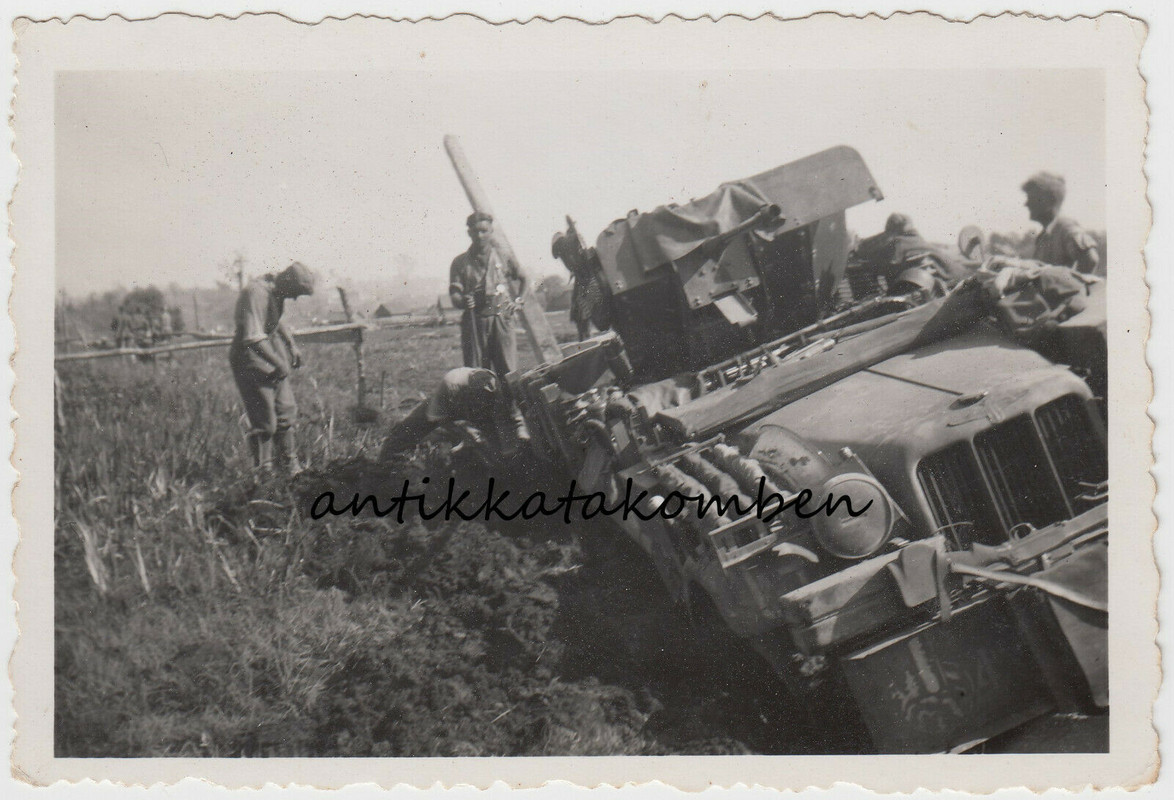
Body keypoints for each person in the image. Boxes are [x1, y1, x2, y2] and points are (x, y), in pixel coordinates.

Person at [228, 261, 316, 474]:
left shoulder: (276, 291)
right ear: (286, 281)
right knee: (265, 421)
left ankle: (290, 464)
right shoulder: (256, 292)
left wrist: (291, 345)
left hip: (268, 349)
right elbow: (253, 337)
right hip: (250, 355)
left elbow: (276, 320)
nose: (294, 298)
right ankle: (263, 471)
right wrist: (278, 362)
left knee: (286, 411)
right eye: (294, 293)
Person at [449, 211, 529, 374]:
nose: (480, 235)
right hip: (474, 322)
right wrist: (462, 301)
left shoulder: (504, 257)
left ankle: (509, 400)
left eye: (484, 231)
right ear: (469, 233)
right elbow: (454, 294)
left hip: (502, 320)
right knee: (476, 375)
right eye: (475, 231)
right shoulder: (460, 262)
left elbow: (525, 279)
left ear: (491, 231)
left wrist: (519, 301)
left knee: (508, 373)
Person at [377, 366, 514, 461]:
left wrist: (505, 451)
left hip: (476, 413)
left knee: (494, 443)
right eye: (478, 397)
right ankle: (382, 464)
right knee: (408, 430)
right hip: (448, 408)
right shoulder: (451, 383)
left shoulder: (494, 389)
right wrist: (463, 431)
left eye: (485, 397)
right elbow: (436, 417)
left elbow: (503, 423)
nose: (481, 400)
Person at [849, 213, 969, 293]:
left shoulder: (898, 243)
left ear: (891, 231)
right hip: (956, 282)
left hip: (941, 287)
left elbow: (887, 264)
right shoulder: (917, 240)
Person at [1021, 172, 1101, 275]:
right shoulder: (1044, 235)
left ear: (1048, 201)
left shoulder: (1066, 229)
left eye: (1031, 198)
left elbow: (1090, 260)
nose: (1026, 204)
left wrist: (1072, 288)